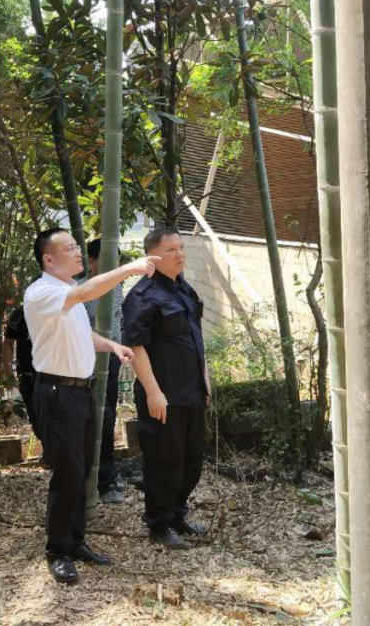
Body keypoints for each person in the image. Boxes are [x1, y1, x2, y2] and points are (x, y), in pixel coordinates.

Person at [23, 228, 157, 584]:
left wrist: (111, 346)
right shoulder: (43, 292)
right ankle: (57, 550)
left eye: (77, 247)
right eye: (69, 248)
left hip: (80, 392)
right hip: (56, 393)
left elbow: (82, 335)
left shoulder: (68, 296)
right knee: (67, 473)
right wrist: (129, 269)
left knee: (82, 471)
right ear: (48, 260)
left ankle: (75, 541)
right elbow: (85, 291)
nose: (79, 253)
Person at [122, 228, 210, 550]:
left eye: (181, 247)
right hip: (163, 396)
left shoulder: (183, 289)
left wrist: (205, 377)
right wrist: (152, 391)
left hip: (192, 392)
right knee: (164, 462)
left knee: (191, 460)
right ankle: (159, 523)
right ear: (153, 255)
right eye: (172, 249)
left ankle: (176, 514)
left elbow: (196, 339)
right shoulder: (142, 296)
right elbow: (136, 346)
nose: (180, 254)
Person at [83, 239, 125, 504]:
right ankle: (100, 480)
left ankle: (106, 476)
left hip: (112, 361)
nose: (115, 266)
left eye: (117, 260)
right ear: (92, 262)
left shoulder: (119, 287)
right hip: (88, 364)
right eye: (108, 260)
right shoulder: (81, 290)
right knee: (99, 419)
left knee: (109, 416)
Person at [3, 303, 41, 444]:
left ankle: (54, 453)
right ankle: (48, 449)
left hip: (53, 374)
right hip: (28, 374)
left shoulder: (58, 308)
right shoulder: (21, 313)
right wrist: (8, 374)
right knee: (35, 416)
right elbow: (8, 343)